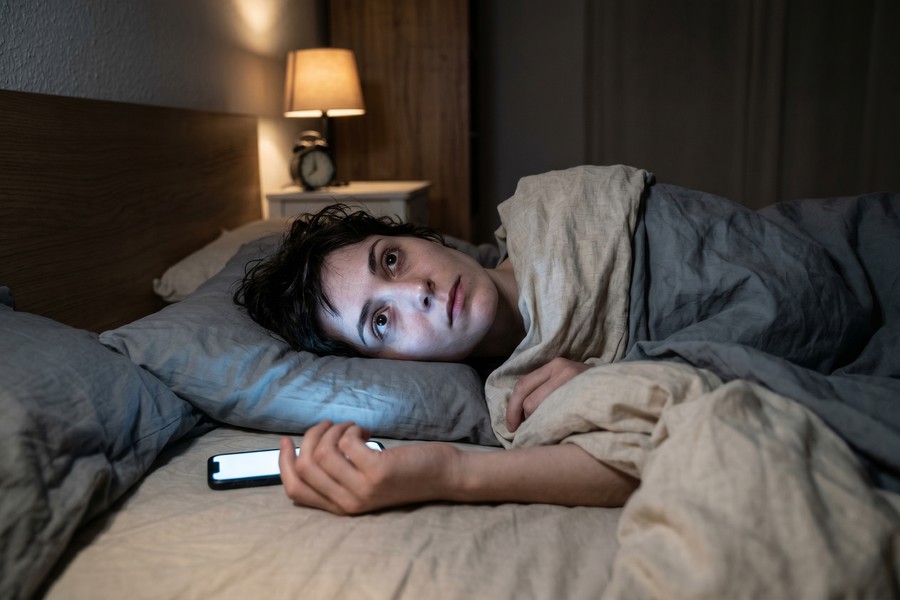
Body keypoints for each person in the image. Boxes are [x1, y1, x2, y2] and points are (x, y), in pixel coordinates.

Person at [235, 203, 633, 515]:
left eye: (391, 260)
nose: (417, 291)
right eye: (381, 321)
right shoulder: (516, 402)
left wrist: (620, 376)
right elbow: (632, 466)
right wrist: (446, 473)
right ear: (390, 363)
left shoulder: (555, 206)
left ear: (417, 237)